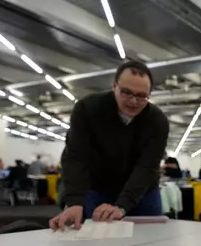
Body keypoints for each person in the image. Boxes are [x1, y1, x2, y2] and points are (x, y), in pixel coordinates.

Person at [49, 60, 169, 230]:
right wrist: (75, 201)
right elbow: (76, 156)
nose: (134, 101)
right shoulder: (87, 109)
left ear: (150, 94)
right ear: (114, 86)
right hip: (97, 187)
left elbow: (147, 167)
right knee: (92, 242)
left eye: (142, 96)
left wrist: (122, 206)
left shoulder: (158, 121)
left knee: (152, 239)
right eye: (126, 92)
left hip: (142, 191)